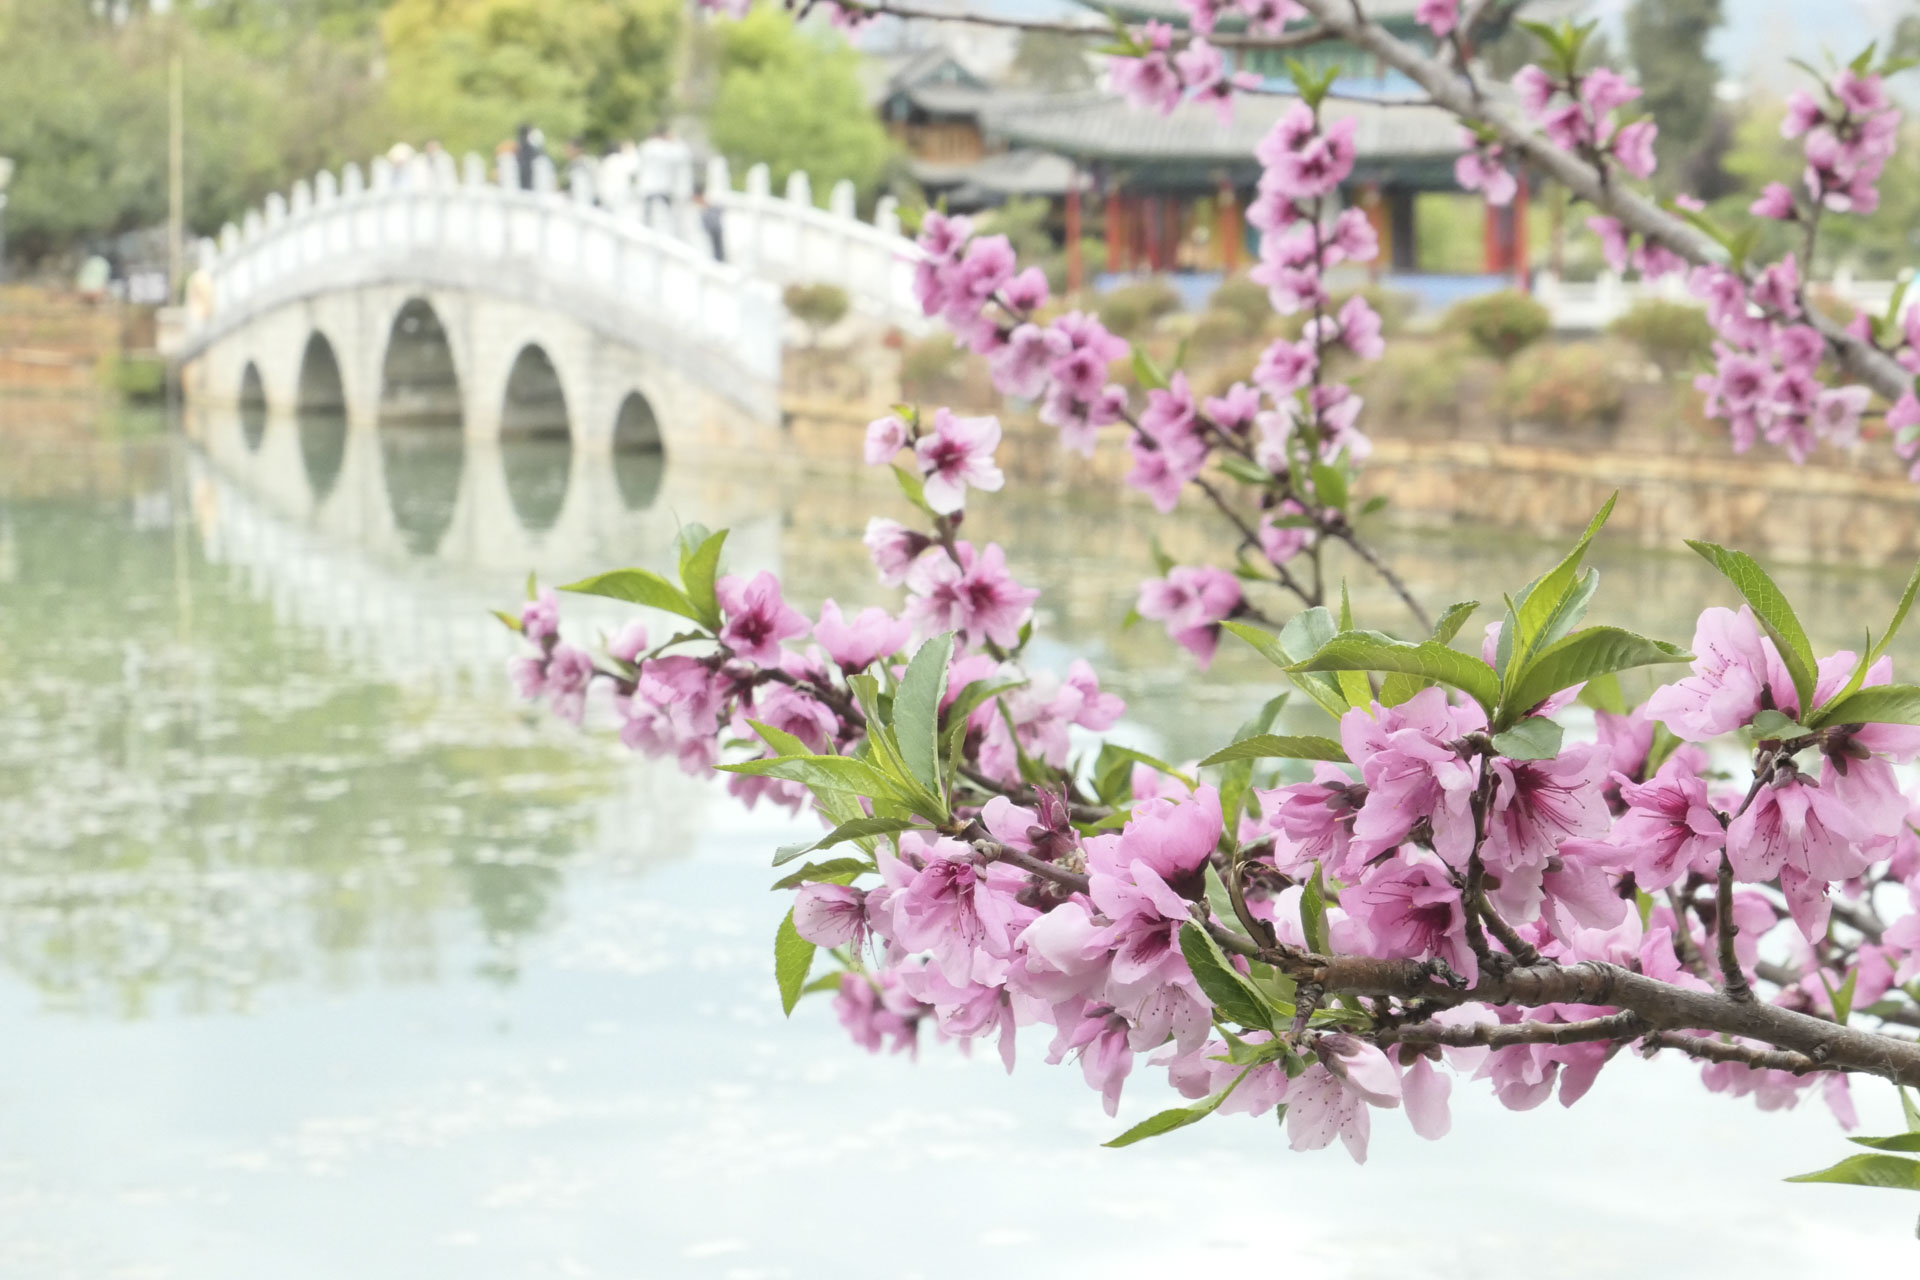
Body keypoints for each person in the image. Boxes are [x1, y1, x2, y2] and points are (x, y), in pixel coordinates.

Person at [636, 126, 673, 224]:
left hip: (649, 183)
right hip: (662, 184)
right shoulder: (667, 147)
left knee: (647, 213)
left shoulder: (646, 146)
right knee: (666, 212)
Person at [696, 187, 725, 262]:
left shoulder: (711, 203)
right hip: (708, 233)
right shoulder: (701, 208)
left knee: (718, 251)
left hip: (715, 230)